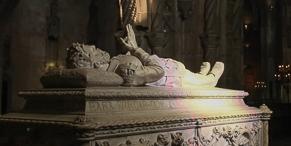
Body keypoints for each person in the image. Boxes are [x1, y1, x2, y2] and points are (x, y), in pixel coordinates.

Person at [66, 25, 224, 87]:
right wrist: (136, 49)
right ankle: (210, 78)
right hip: (170, 74)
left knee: (192, 78)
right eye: (92, 50)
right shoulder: (122, 71)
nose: (95, 47)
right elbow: (158, 71)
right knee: (198, 80)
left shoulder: (113, 64)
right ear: (93, 64)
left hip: (169, 70)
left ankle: (200, 76)